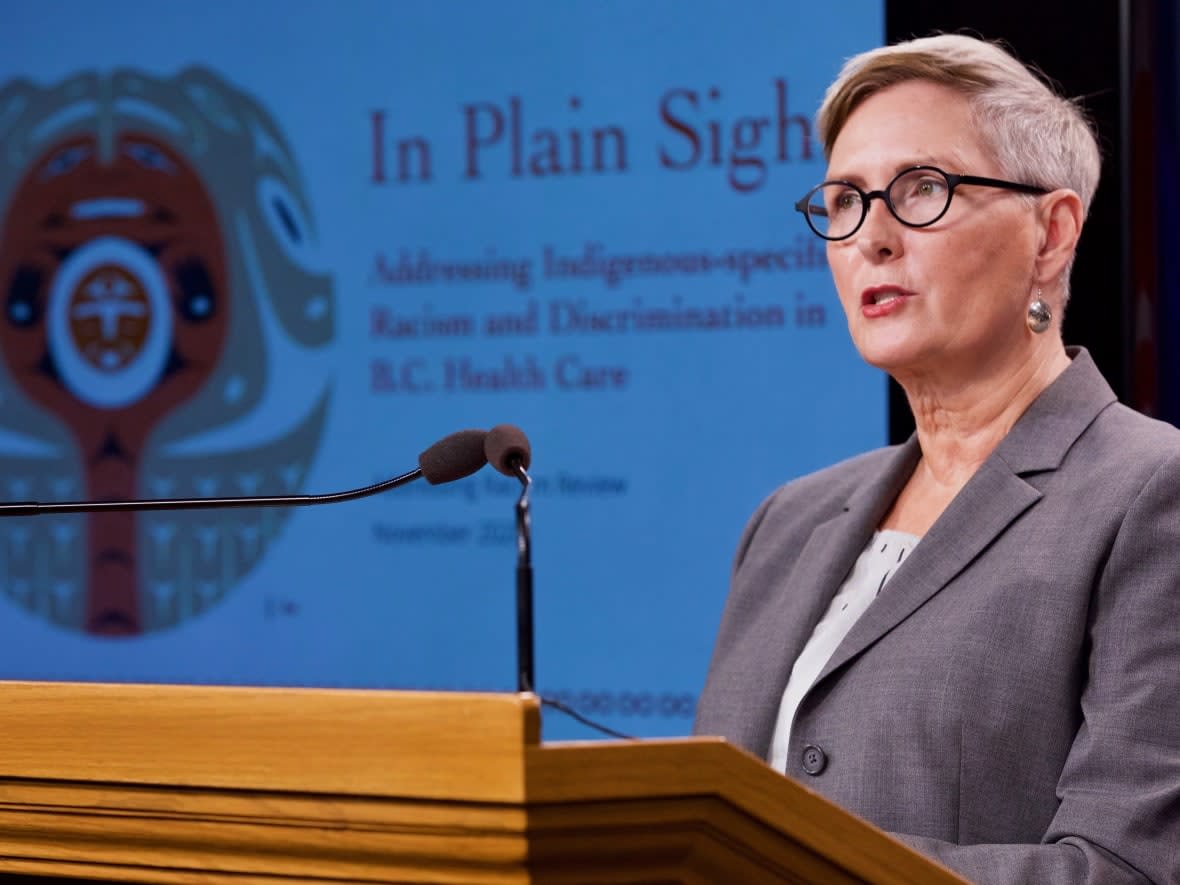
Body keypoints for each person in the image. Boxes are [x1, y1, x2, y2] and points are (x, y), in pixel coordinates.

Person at [693, 34, 1180, 885]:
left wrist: (786, 866)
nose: (870, 238)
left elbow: (1127, 870)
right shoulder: (788, 521)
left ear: (1052, 234)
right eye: (845, 201)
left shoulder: (1149, 494)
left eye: (923, 189)